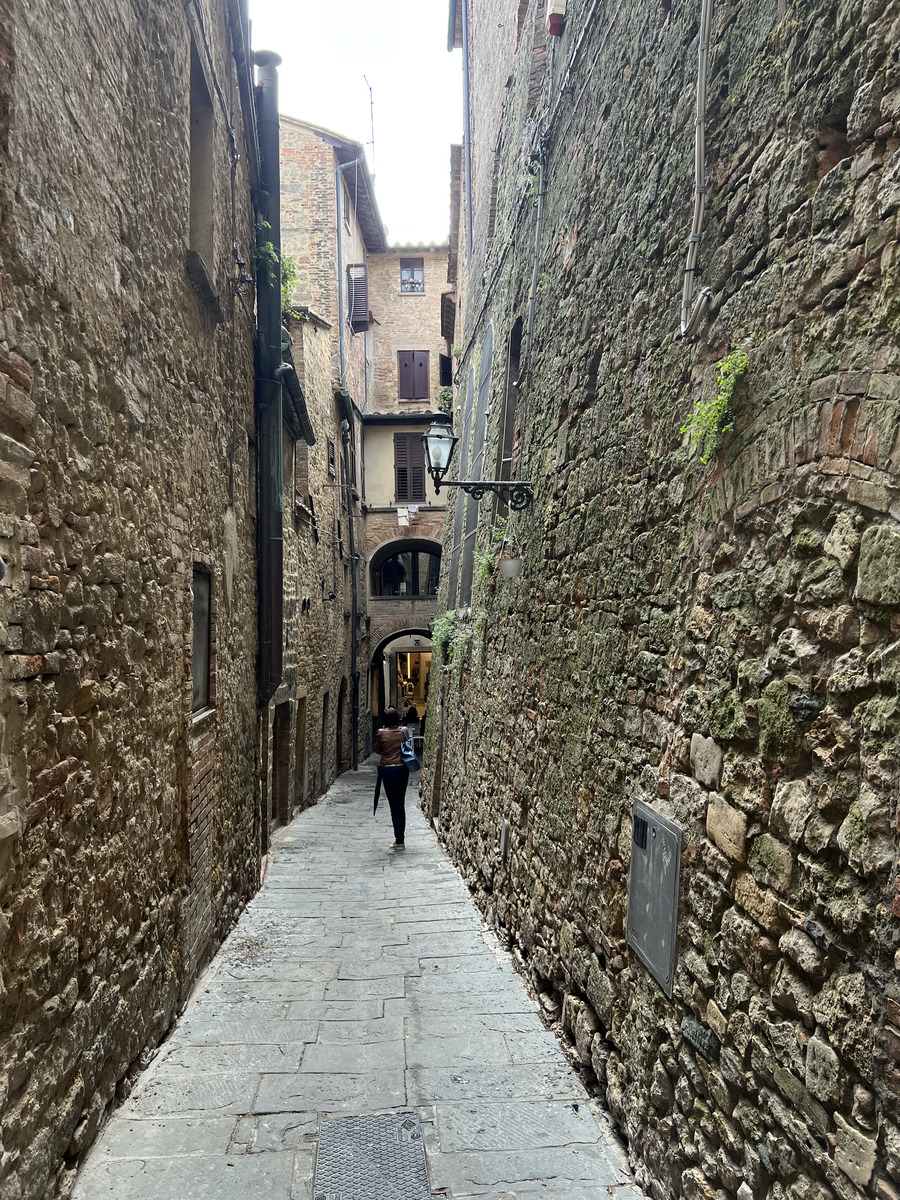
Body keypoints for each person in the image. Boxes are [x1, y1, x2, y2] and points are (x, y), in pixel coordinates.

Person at [375, 707, 410, 850]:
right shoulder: (404, 731)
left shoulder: (381, 733)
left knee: (393, 805)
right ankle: (401, 836)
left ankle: (399, 840)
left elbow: (378, 750)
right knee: (401, 803)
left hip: (388, 770)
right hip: (402, 769)